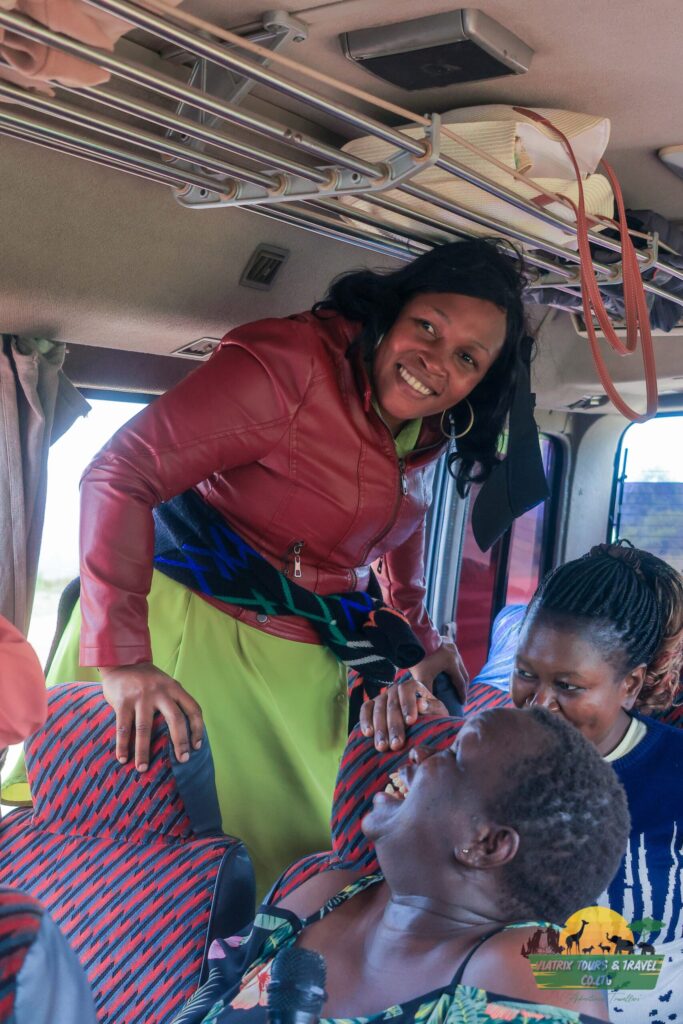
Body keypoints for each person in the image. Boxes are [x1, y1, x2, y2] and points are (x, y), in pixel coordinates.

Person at [43, 238, 531, 893]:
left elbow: (395, 520)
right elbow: (118, 474)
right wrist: (124, 658)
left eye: (466, 357)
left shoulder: (430, 425)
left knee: (303, 865)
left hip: (306, 650)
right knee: (169, 875)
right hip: (187, 628)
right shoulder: (289, 366)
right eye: (426, 327)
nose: (435, 362)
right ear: (391, 312)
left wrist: (420, 636)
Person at [368, 542, 683, 1022]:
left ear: (631, 684)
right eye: (525, 674)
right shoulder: (480, 755)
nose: (538, 704)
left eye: (568, 686)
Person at [174, 706, 629, 1024]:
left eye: (453, 756)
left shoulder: (533, 970)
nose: (418, 753)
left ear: (485, 844)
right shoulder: (323, 893)